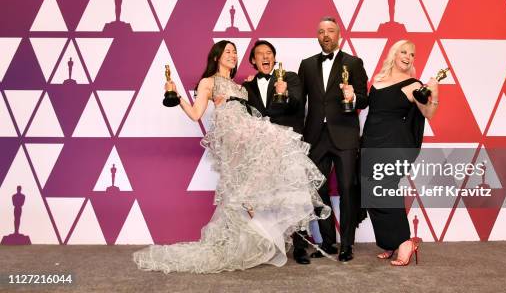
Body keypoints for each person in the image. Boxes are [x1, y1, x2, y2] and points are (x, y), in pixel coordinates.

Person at [133, 40, 330, 274]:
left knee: (267, 166)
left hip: (248, 137)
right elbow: (196, 113)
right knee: (246, 179)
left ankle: (248, 231)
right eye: (228, 52)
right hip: (232, 139)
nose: (232, 55)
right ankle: (242, 225)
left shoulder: (241, 86)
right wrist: (176, 95)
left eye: (235, 52)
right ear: (217, 57)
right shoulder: (208, 82)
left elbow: (254, 112)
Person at [361, 40, 438, 266]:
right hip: (371, 140)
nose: (408, 56)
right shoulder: (378, 79)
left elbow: (428, 113)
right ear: (394, 54)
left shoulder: (414, 85)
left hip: (394, 144)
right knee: (370, 189)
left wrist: (435, 94)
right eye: (404, 52)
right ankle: (390, 242)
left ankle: (405, 242)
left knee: (385, 189)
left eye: (412, 54)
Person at [298, 16, 369, 262]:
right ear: (317, 36)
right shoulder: (306, 65)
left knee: (348, 189)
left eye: (330, 31)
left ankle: (347, 245)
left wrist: (354, 97)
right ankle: (327, 242)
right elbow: (299, 100)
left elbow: (364, 98)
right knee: (317, 189)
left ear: (339, 35)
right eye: (321, 31)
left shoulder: (354, 62)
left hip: (345, 135)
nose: (325, 35)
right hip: (316, 135)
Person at [242, 40, 309, 264]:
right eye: (259, 54)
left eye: (269, 53)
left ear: (274, 57)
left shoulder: (289, 77)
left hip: (287, 144)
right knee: (266, 196)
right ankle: (270, 245)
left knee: (294, 195)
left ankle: (300, 247)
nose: (265, 56)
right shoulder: (246, 86)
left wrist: (285, 93)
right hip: (262, 148)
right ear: (253, 61)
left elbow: (297, 103)